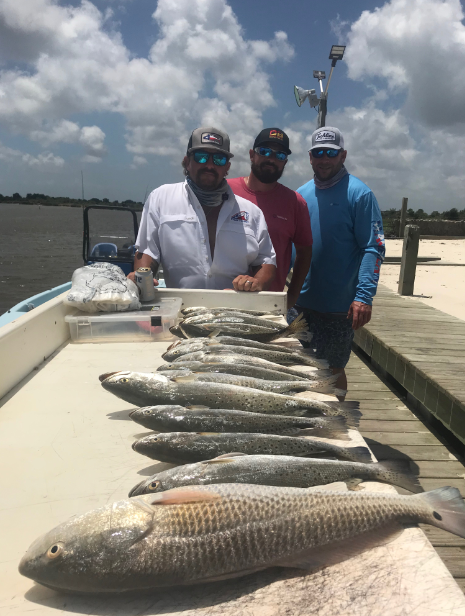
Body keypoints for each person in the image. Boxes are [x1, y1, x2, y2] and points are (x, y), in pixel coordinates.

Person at [293, 126, 385, 397]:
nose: (324, 159)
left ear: (342, 155)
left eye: (330, 153)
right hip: (301, 303)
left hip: (338, 308)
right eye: (318, 152)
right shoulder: (300, 194)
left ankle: (338, 423)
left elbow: (374, 247)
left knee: (332, 369)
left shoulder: (360, 194)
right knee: (295, 366)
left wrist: (364, 297)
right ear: (310, 157)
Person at [130, 127, 276, 292]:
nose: (209, 165)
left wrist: (256, 282)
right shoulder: (160, 198)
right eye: (201, 157)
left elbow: (266, 260)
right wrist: (142, 277)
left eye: (219, 159)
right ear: (187, 162)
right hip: (180, 308)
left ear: (227, 167)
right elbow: (147, 250)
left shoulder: (252, 212)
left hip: (235, 310)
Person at [228, 128, 312, 308]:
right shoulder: (225, 191)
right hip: (222, 297)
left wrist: (291, 298)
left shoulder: (295, 203)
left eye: (279, 155)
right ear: (252, 155)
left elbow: (304, 254)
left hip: (268, 305)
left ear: (285, 162)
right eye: (264, 151)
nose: (271, 159)